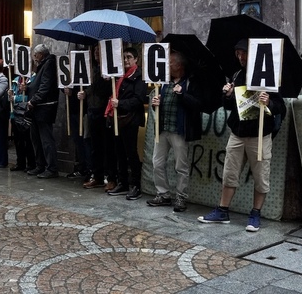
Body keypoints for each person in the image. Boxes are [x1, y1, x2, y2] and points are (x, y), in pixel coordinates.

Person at [198, 39, 285, 232]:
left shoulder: (268, 76)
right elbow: (231, 107)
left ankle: (255, 213)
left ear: (253, 53)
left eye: (243, 53)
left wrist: (269, 102)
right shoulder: (237, 75)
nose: (240, 57)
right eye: (237, 54)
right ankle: (223, 210)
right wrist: (227, 95)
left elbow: (280, 107)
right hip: (237, 132)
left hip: (260, 135)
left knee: (261, 176)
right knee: (230, 172)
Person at [147, 50, 207, 212]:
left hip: (180, 130)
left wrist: (182, 95)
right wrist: (155, 103)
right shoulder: (164, 82)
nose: (167, 65)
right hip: (163, 129)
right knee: (157, 163)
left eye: (170, 63)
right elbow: (159, 104)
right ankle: (163, 194)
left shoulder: (191, 83)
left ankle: (181, 197)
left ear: (179, 65)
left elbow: (198, 104)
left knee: (181, 166)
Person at [106, 46, 147, 200]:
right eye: (124, 57)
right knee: (119, 152)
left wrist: (120, 103)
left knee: (131, 153)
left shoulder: (139, 76)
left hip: (130, 119)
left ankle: (135, 185)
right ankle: (122, 182)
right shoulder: (119, 76)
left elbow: (138, 99)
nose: (126, 60)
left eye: (129, 57)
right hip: (118, 119)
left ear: (136, 59)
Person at [79, 44, 116, 190]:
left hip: (105, 111)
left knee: (108, 146)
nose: (96, 53)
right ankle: (98, 176)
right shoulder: (93, 69)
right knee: (95, 146)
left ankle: (111, 177)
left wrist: (104, 79)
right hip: (92, 110)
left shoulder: (109, 71)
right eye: (94, 50)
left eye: (98, 51)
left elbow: (105, 91)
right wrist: (84, 93)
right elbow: (89, 88)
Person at [27, 44, 60, 178]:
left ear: (41, 54)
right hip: (36, 108)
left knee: (46, 140)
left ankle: (51, 168)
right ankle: (40, 165)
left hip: (44, 107)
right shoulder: (42, 66)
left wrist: (34, 100)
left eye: (35, 55)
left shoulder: (49, 65)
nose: (34, 58)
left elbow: (45, 86)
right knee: (36, 139)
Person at [9, 73, 36, 172]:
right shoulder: (16, 79)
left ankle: (31, 163)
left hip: (26, 114)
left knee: (28, 140)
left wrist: (16, 98)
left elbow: (30, 96)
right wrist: (10, 95)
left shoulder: (33, 79)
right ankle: (20, 162)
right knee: (18, 141)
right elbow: (12, 95)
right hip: (15, 114)